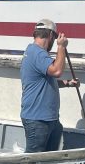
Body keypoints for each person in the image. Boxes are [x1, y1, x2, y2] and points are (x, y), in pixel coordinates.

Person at [20, 18, 79, 153]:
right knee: (35, 161)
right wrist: (61, 47)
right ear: (51, 35)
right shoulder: (38, 53)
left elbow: (45, 82)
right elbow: (57, 71)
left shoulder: (34, 52)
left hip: (49, 119)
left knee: (49, 159)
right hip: (38, 120)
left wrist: (68, 83)